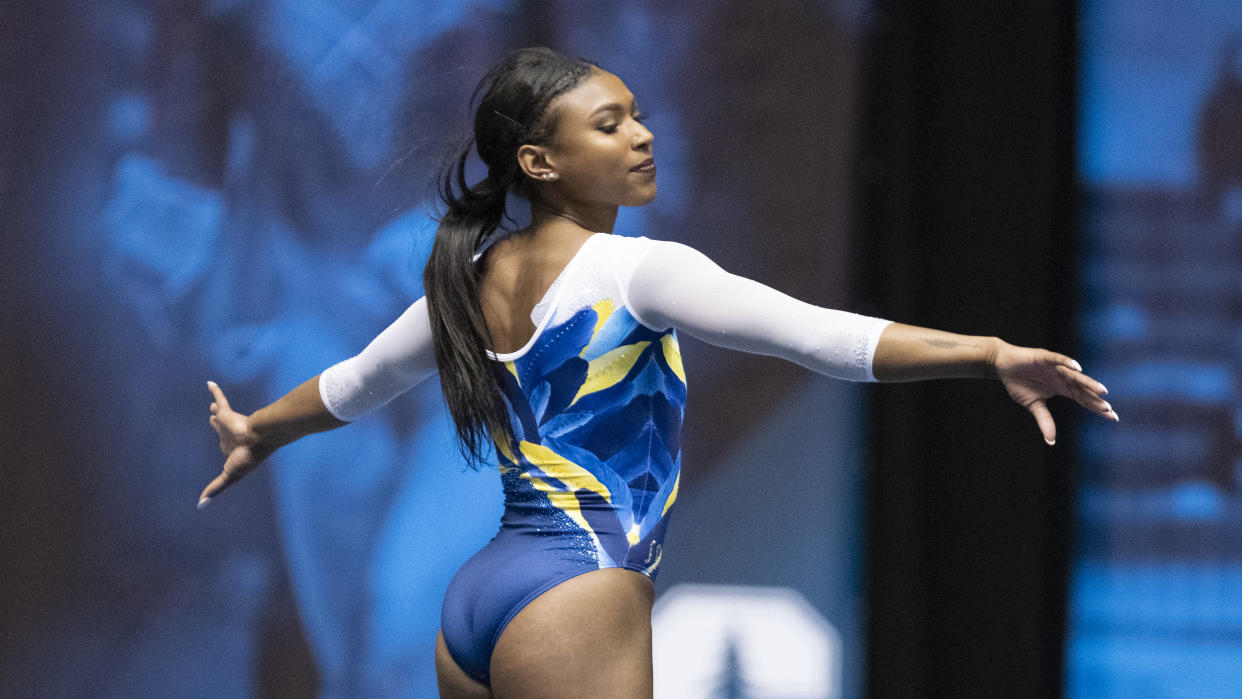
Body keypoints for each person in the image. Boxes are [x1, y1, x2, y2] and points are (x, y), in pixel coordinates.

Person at [199, 47, 1117, 698]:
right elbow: (816, 336)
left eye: (636, 115)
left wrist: (257, 429)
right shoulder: (640, 271)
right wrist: (988, 353)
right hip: (576, 592)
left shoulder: (466, 280)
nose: (641, 136)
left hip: (477, 603)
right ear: (540, 161)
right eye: (610, 125)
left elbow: (351, 386)